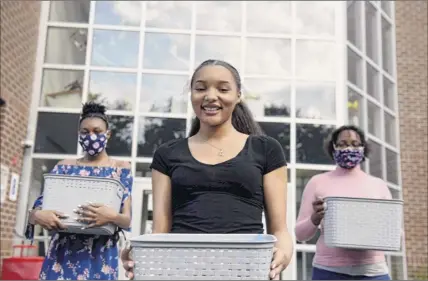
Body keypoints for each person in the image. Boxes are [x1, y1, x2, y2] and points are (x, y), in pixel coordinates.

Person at [121, 59, 293, 280]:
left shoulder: (266, 149)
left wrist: (283, 254)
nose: (211, 96)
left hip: (246, 270)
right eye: (201, 88)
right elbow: (160, 233)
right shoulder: (167, 154)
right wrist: (142, 259)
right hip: (182, 271)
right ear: (191, 94)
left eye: (223, 89)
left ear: (238, 95)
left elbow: (279, 230)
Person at [26, 102, 133, 280]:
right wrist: (36, 216)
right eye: (85, 132)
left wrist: (111, 216)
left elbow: (127, 220)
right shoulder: (64, 167)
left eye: (97, 131)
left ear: (108, 134)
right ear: (79, 135)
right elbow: (37, 209)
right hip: (62, 254)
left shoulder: (120, 169)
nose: (91, 136)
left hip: (100, 257)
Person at [295, 125, 393, 280]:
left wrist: (384, 228)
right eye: (342, 144)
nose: (349, 148)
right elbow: (300, 234)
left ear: (363, 148)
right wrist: (314, 219)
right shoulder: (317, 182)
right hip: (328, 271)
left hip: (373, 272)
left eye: (355, 144)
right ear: (333, 148)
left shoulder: (378, 185)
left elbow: (396, 233)